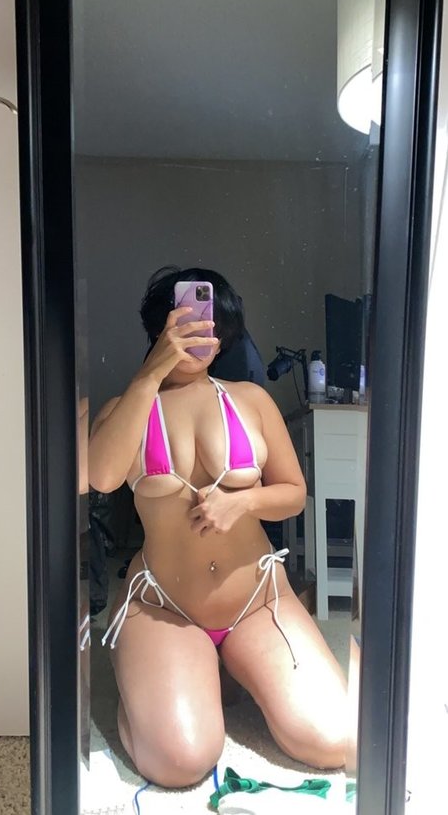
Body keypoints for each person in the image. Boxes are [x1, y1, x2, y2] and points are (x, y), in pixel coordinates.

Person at [88, 266, 349, 789]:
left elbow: (292, 493)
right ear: (160, 327)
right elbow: (101, 475)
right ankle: (155, 677)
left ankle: (223, 666)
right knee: (178, 762)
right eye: (186, 322)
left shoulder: (250, 399)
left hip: (258, 600)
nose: (201, 335)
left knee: (332, 740)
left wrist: (244, 501)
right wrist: (149, 375)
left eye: (213, 325)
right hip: (164, 607)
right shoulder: (126, 407)